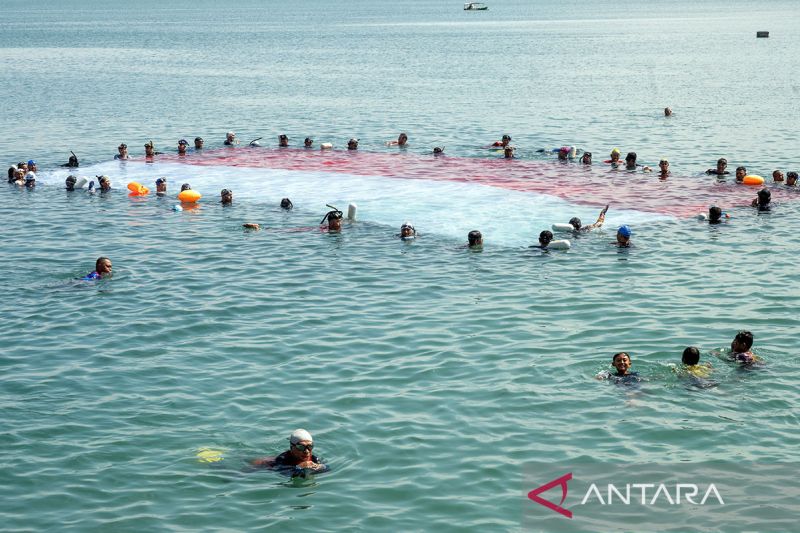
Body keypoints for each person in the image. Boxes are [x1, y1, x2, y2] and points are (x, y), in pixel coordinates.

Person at [251, 429, 328, 477]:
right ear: (292, 448)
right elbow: (285, 474)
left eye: (310, 446)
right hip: (266, 463)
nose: (306, 451)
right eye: (301, 447)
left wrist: (320, 467)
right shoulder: (282, 460)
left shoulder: (314, 459)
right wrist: (299, 467)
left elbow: (327, 470)